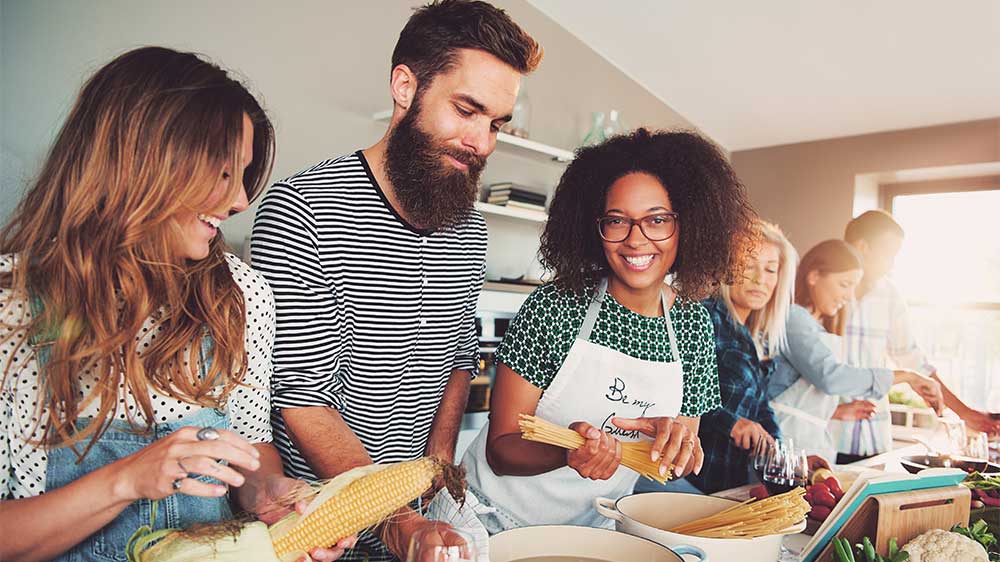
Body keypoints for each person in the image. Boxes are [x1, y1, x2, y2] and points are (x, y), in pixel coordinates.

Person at [0, 47, 353, 562]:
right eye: (224, 172)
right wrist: (125, 480)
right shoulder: (13, 304)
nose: (239, 202)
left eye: (243, 176)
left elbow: (252, 452)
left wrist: (268, 496)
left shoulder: (240, 295)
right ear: (144, 158)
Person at [249, 1, 542, 559]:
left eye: (496, 123)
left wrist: (437, 482)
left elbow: (458, 364)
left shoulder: (469, 229)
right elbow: (303, 401)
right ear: (405, 87)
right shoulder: (302, 208)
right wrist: (396, 522)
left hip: (416, 515)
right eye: (466, 110)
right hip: (322, 527)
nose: (482, 141)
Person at [462, 128, 757, 531]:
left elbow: (680, 460)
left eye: (656, 220)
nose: (636, 240)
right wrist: (569, 452)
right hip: (488, 520)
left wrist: (677, 447)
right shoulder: (555, 306)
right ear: (595, 227)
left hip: (587, 532)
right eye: (617, 221)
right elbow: (501, 449)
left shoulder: (692, 324)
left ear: (687, 225)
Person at [831, 210, 999, 463]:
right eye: (890, 254)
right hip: (826, 437)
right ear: (863, 247)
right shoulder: (821, 293)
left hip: (873, 438)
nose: (893, 264)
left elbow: (914, 361)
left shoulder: (889, 295)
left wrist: (964, 413)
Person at [768, 239, 943, 463]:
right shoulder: (793, 318)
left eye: (853, 287)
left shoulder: (816, 326)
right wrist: (907, 377)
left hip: (809, 447)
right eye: (844, 284)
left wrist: (834, 411)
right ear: (813, 276)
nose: (850, 296)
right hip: (785, 446)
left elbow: (795, 396)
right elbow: (830, 377)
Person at [674, 221, 796, 495]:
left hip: (730, 486)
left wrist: (781, 457)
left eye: (770, 269)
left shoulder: (759, 338)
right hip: (689, 482)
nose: (759, 279)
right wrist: (732, 423)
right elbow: (675, 397)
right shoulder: (702, 318)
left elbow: (762, 408)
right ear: (725, 268)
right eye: (748, 265)